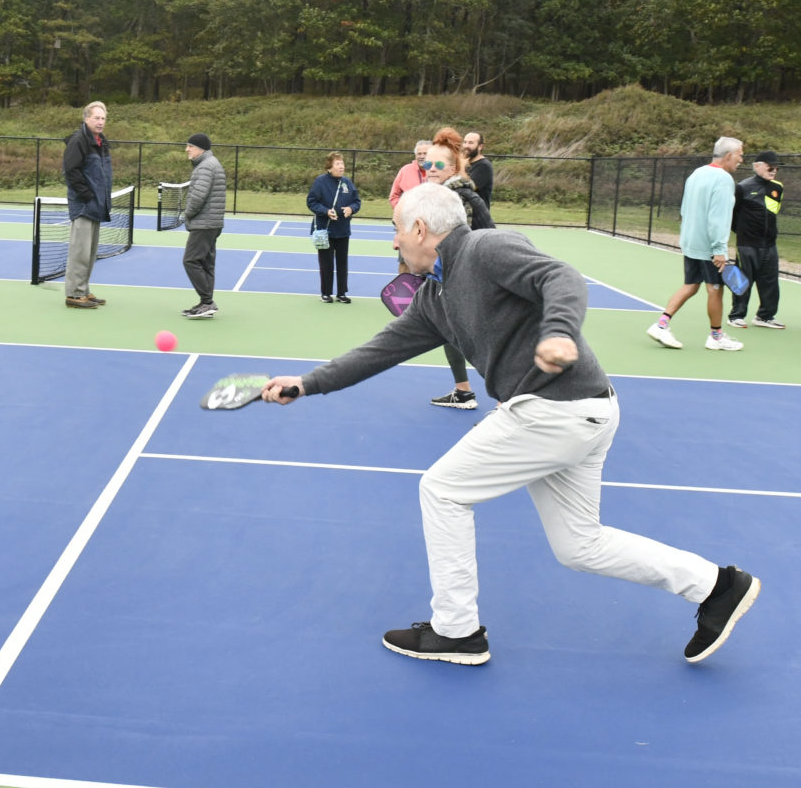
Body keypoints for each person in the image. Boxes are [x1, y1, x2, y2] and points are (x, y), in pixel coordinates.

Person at [259, 180, 762, 669]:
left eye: (394, 228)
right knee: (579, 544)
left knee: (442, 490)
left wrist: (559, 332)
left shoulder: (485, 248)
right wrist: (307, 383)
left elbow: (561, 278)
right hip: (581, 411)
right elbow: (381, 350)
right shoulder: (435, 298)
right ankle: (717, 586)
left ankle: (456, 631)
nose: (392, 239)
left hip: (555, 410)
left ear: (418, 228)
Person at [415, 140, 492, 408]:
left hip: (471, 277)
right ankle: (464, 392)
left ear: (453, 168)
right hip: (449, 278)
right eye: (427, 164)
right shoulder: (441, 194)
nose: (431, 169)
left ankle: (507, 401)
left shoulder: (458, 197)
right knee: (449, 331)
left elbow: (466, 239)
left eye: (438, 165)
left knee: (481, 338)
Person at [648, 136, 745, 352]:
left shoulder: (696, 173)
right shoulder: (723, 180)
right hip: (709, 247)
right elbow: (718, 217)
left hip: (692, 242)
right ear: (728, 155)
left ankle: (661, 324)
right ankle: (716, 337)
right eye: (740, 155)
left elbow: (684, 209)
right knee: (715, 290)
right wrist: (719, 250)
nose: (741, 159)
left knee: (691, 285)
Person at [58, 101, 113, 309]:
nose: (100, 122)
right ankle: (74, 293)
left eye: (103, 118)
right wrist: (87, 195)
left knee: (90, 252)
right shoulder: (79, 140)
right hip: (84, 205)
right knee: (80, 251)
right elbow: (71, 171)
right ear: (86, 119)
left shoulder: (101, 141)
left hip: (97, 205)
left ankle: (83, 289)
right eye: (96, 118)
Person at [730, 151, 786, 329]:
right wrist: (742, 233)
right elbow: (732, 214)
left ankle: (765, 316)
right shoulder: (742, 187)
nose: (774, 170)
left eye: (776, 167)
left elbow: (773, 213)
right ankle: (736, 315)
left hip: (769, 245)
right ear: (757, 166)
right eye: (770, 166)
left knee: (770, 281)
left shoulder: (778, 188)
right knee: (743, 281)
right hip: (747, 244)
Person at [177, 133, 227, 320]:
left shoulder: (206, 166)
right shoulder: (210, 163)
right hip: (211, 223)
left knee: (190, 260)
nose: (187, 149)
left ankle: (207, 302)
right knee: (206, 264)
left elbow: (198, 196)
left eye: (190, 146)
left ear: (200, 149)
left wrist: (187, 214)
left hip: (204, 223)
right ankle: (205, 302)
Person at [306, 153, 361, 303]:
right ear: (329, 167)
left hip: (343, 230)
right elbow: (311, 202)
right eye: (337, 163)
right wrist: (326, 211)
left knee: (343, 262)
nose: (341, 166)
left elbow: (357, 201)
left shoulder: (347, 183)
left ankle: (341, 293)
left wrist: (351, 208)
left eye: (342, 163)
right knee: (326, 262)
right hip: (325, 230)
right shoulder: (320, 182)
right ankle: (326, 293)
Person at [387, 140, 432, 211]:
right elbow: (394, 196)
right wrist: (401, 211)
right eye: (419, 154)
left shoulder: (438, 172)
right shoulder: (405, 170)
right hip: (408, 219)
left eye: (425, 153)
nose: (422, 156)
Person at [461, 130, 494, 207]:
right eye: (465, 142)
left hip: (477, 216)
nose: (466, 146)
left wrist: (461, 167)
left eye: (471, 143)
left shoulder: (483, 166)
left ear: (480, 147)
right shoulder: (464, 163)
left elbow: (467, 189)